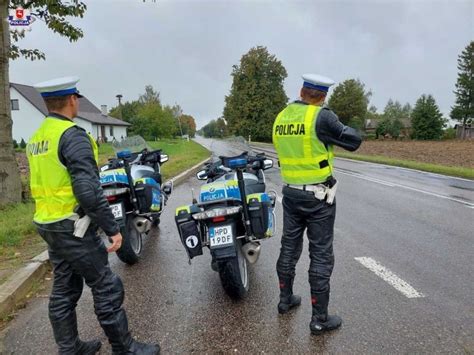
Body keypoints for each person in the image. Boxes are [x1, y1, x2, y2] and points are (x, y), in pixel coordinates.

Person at [27, 77, 160, 354]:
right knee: (106, 286)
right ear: (73, 100)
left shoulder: (37, 137)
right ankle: (125, 349)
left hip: (48, 223)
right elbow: (88, 191)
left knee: (65, 289)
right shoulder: (72, 136)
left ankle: (70, 349)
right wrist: (112, 228)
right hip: (73, 226)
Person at [272, 74, 362, 335]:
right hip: (318, 197)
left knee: (289, 247)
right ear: (323, 97)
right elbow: (353, 141)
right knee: (321, 254)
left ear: (301, 91)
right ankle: (319, 319)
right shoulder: (321, 117)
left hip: (290, 194)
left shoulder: (282, 117)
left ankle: (285, 300)